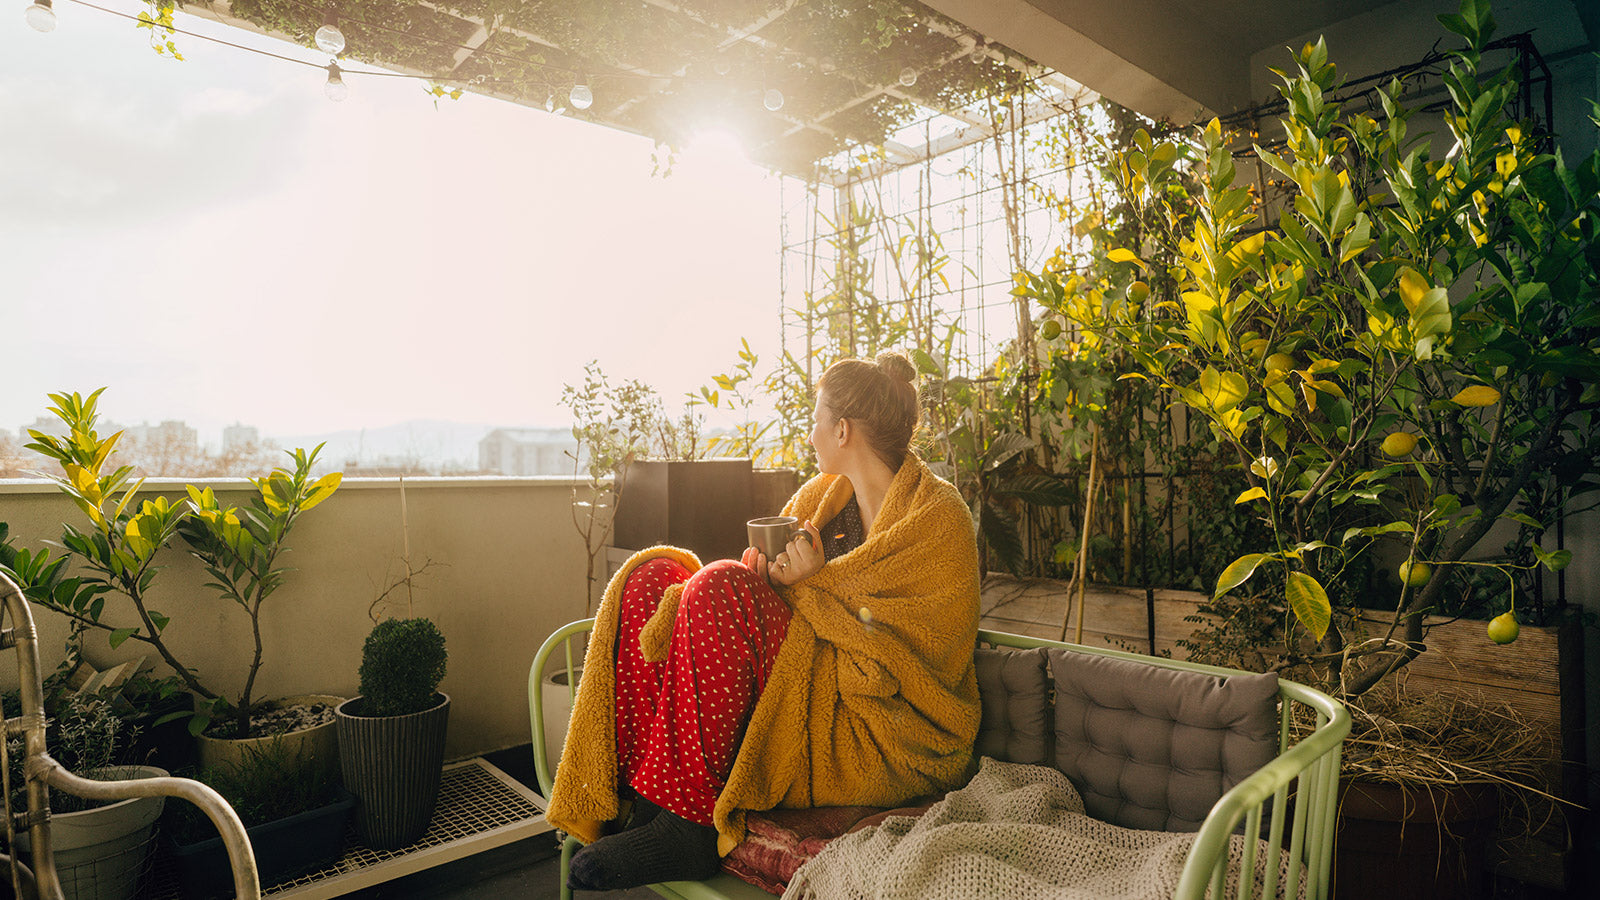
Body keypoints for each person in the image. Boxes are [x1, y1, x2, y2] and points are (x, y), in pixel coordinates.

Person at [546, 351, 982, 892]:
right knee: (650, 580)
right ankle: (640, 798)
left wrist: (808, 584)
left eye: (816, 418)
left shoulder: (938, 517)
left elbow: (913, 654)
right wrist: (770, 580)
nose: (811, 431)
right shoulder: (822, 497)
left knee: (720, 583)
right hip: (805, 669)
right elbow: (783, 602)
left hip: (879, 719)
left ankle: (687, 826)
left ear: (842, 429)